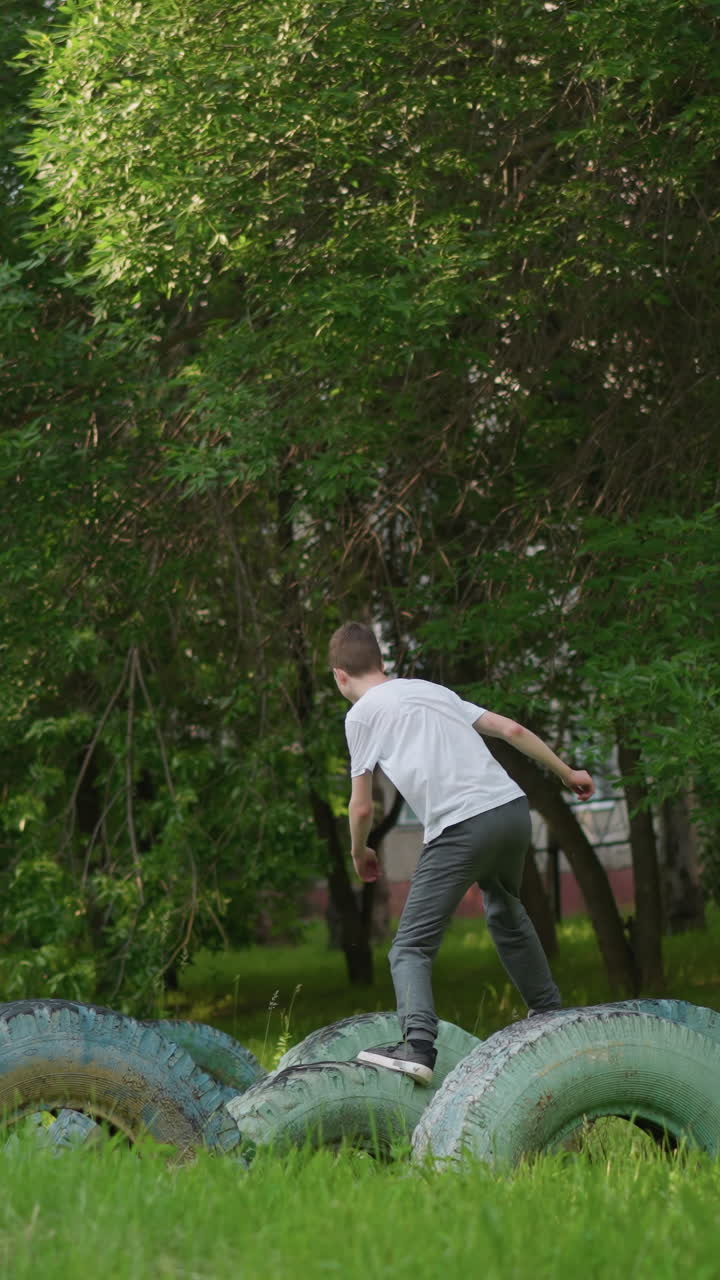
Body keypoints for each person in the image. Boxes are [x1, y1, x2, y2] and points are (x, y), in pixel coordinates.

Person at [329, 620, 595, 1086]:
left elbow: (363, 804)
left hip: (461, 826)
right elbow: (509, 728)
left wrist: (359, 850)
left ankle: (417, 1045)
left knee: (410, 947)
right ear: (383, 663)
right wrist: (567, 771)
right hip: (511, 812)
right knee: (505, 908)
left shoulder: (361, 714)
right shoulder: (431, 690)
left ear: (339, 676)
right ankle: (550, 1014)